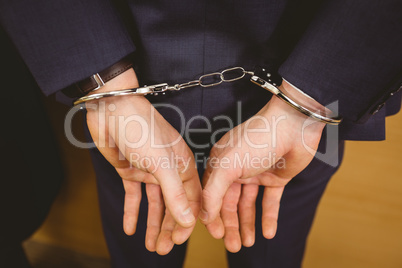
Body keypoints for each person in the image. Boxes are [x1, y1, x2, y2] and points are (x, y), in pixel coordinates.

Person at [1, 0, 401, 267]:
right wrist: (106, 91)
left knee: (270, 241)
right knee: (142, 235)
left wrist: (310, 101)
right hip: (127, 90)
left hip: (303, 80)